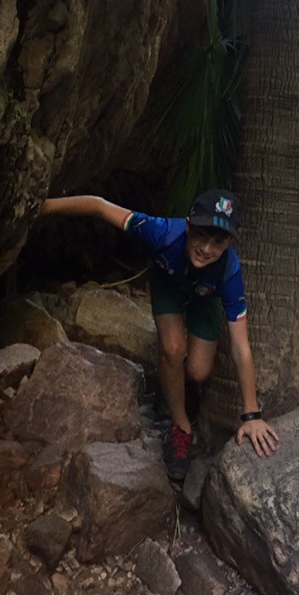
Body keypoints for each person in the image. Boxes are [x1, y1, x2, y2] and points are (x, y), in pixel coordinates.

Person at [40, 188, 279, 479]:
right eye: (201, 234)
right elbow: (100, 206)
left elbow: (242, 347)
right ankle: (180, 426)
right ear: (189, 225)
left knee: (199, 371)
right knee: (172, 348)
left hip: (205, 297)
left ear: (229, 242)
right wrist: (41, 207)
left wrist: (252, 416)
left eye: (218, 241)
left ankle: (180, 382)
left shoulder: (229, 270)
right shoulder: (162, 232)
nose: (206, 248)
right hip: (169, 286)